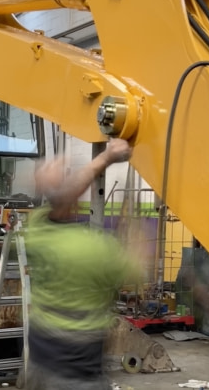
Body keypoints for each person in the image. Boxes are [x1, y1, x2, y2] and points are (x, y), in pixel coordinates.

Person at [24, 138, 141, 390]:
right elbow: (136, 270)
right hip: (80, 370)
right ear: (78, 198)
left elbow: (63, 197)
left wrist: (104, 158)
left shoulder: (36, 229)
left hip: (40, 361)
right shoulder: (95, 250)